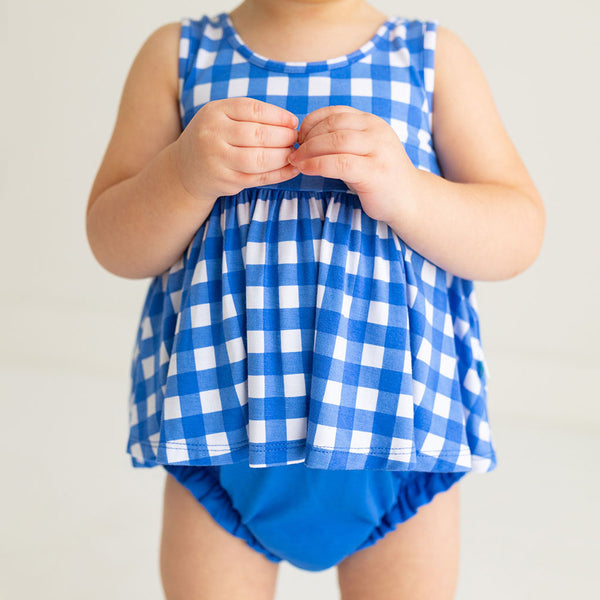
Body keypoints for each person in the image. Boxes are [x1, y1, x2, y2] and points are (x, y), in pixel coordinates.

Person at [85, 0, 545, 597]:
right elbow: (113, 241)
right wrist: (182, 175)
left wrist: (406, 190)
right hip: (222, 429)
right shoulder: (177, 55)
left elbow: (518, 232)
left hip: (396, 432)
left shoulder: (430, 58)